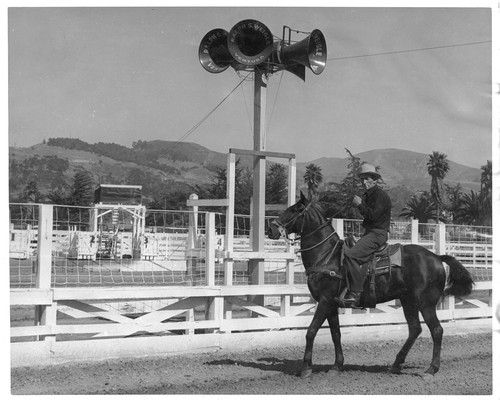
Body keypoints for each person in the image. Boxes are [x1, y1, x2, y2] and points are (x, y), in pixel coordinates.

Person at [341, 163, 392, 308]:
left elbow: (373, 216)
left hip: (378, 234)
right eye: (362, 179)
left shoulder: (380, 196)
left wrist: (359, 204)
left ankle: (356, 293)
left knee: (351, 255)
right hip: (371, 233)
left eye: (367, 178)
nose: (364, 182)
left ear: (375, 180)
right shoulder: (370, 195)